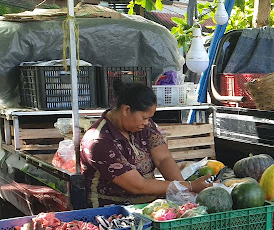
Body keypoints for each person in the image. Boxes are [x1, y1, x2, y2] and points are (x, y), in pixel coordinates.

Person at [80, 82, 213, 207]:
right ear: (126, 110)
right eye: (144, 117)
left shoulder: (144, 127)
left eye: (149, 118)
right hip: (113, 212)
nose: (148, 122)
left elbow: (163, 159)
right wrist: (189, 186)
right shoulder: (99, 141)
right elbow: (138, 185)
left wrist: (183, 192)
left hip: (150, 205)